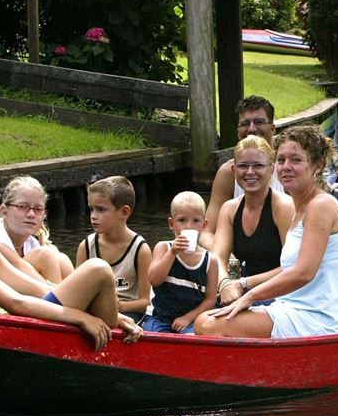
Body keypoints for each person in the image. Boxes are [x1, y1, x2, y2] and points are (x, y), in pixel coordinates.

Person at [0, 159, 140, 350]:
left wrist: (113, 314)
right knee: (97, 269)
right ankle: (111, 355)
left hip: (8, 330)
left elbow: (40, 289)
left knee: (89, 275)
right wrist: (81, 317)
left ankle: (108, 342)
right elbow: (15, 302)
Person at [196, 125, 338, 339]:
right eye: (281, 160)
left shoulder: (321, 205)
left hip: (316, 319)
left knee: (207, 325)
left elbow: (303, 272)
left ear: (318, 165)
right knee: (205, 319)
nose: (286, 167)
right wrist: (227, 285)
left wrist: (249, 295)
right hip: (288, 307)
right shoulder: (300, 208)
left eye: (296, 160)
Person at [211, 135, 296, 307]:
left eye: (258, 165)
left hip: (281, 292)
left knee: (210, 320)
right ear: (234, 170)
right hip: (244, 290)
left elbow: (293, 267)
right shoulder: (229, 209)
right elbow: (217, 258)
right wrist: (224, 284)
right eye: (243, 166)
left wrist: (243, 284)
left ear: (271, 169)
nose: (250, 172)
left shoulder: (284, 206)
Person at [202, 95, 281, 251]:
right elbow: (207, 232)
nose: (251, 129)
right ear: (238, 131)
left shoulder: (287, 169)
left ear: (272, 129)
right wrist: (224, 255)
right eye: (245, 123)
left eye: (258, 122)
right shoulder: (227, 173)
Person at [75, 176, 151, 323]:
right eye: (91, 209)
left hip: (128, 313)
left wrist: (119, 306)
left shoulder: (140, 250)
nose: (93, 216)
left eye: (101, 210)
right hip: (94, 310)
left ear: (124, 212)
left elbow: (145, 302)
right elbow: (78, 290)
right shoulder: (86, 246)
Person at [144, 192, 219, 334]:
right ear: (171, 224)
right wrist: (172, 253)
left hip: (192, 319)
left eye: (196, 221)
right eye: (182, 220)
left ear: (204, 224)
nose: (189, 226)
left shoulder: (210, 260)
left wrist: (188, 318)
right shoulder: (163, 248)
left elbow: (210, 300)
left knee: (193, 337)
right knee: (151, 335)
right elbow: (154, 280)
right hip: (161, 317)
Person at [0, 175, 73, 284]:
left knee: (62, 259)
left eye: (38, 209)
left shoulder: (32, 243)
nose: (31, 214)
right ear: (4, 211)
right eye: (22, 207)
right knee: (45, 256)